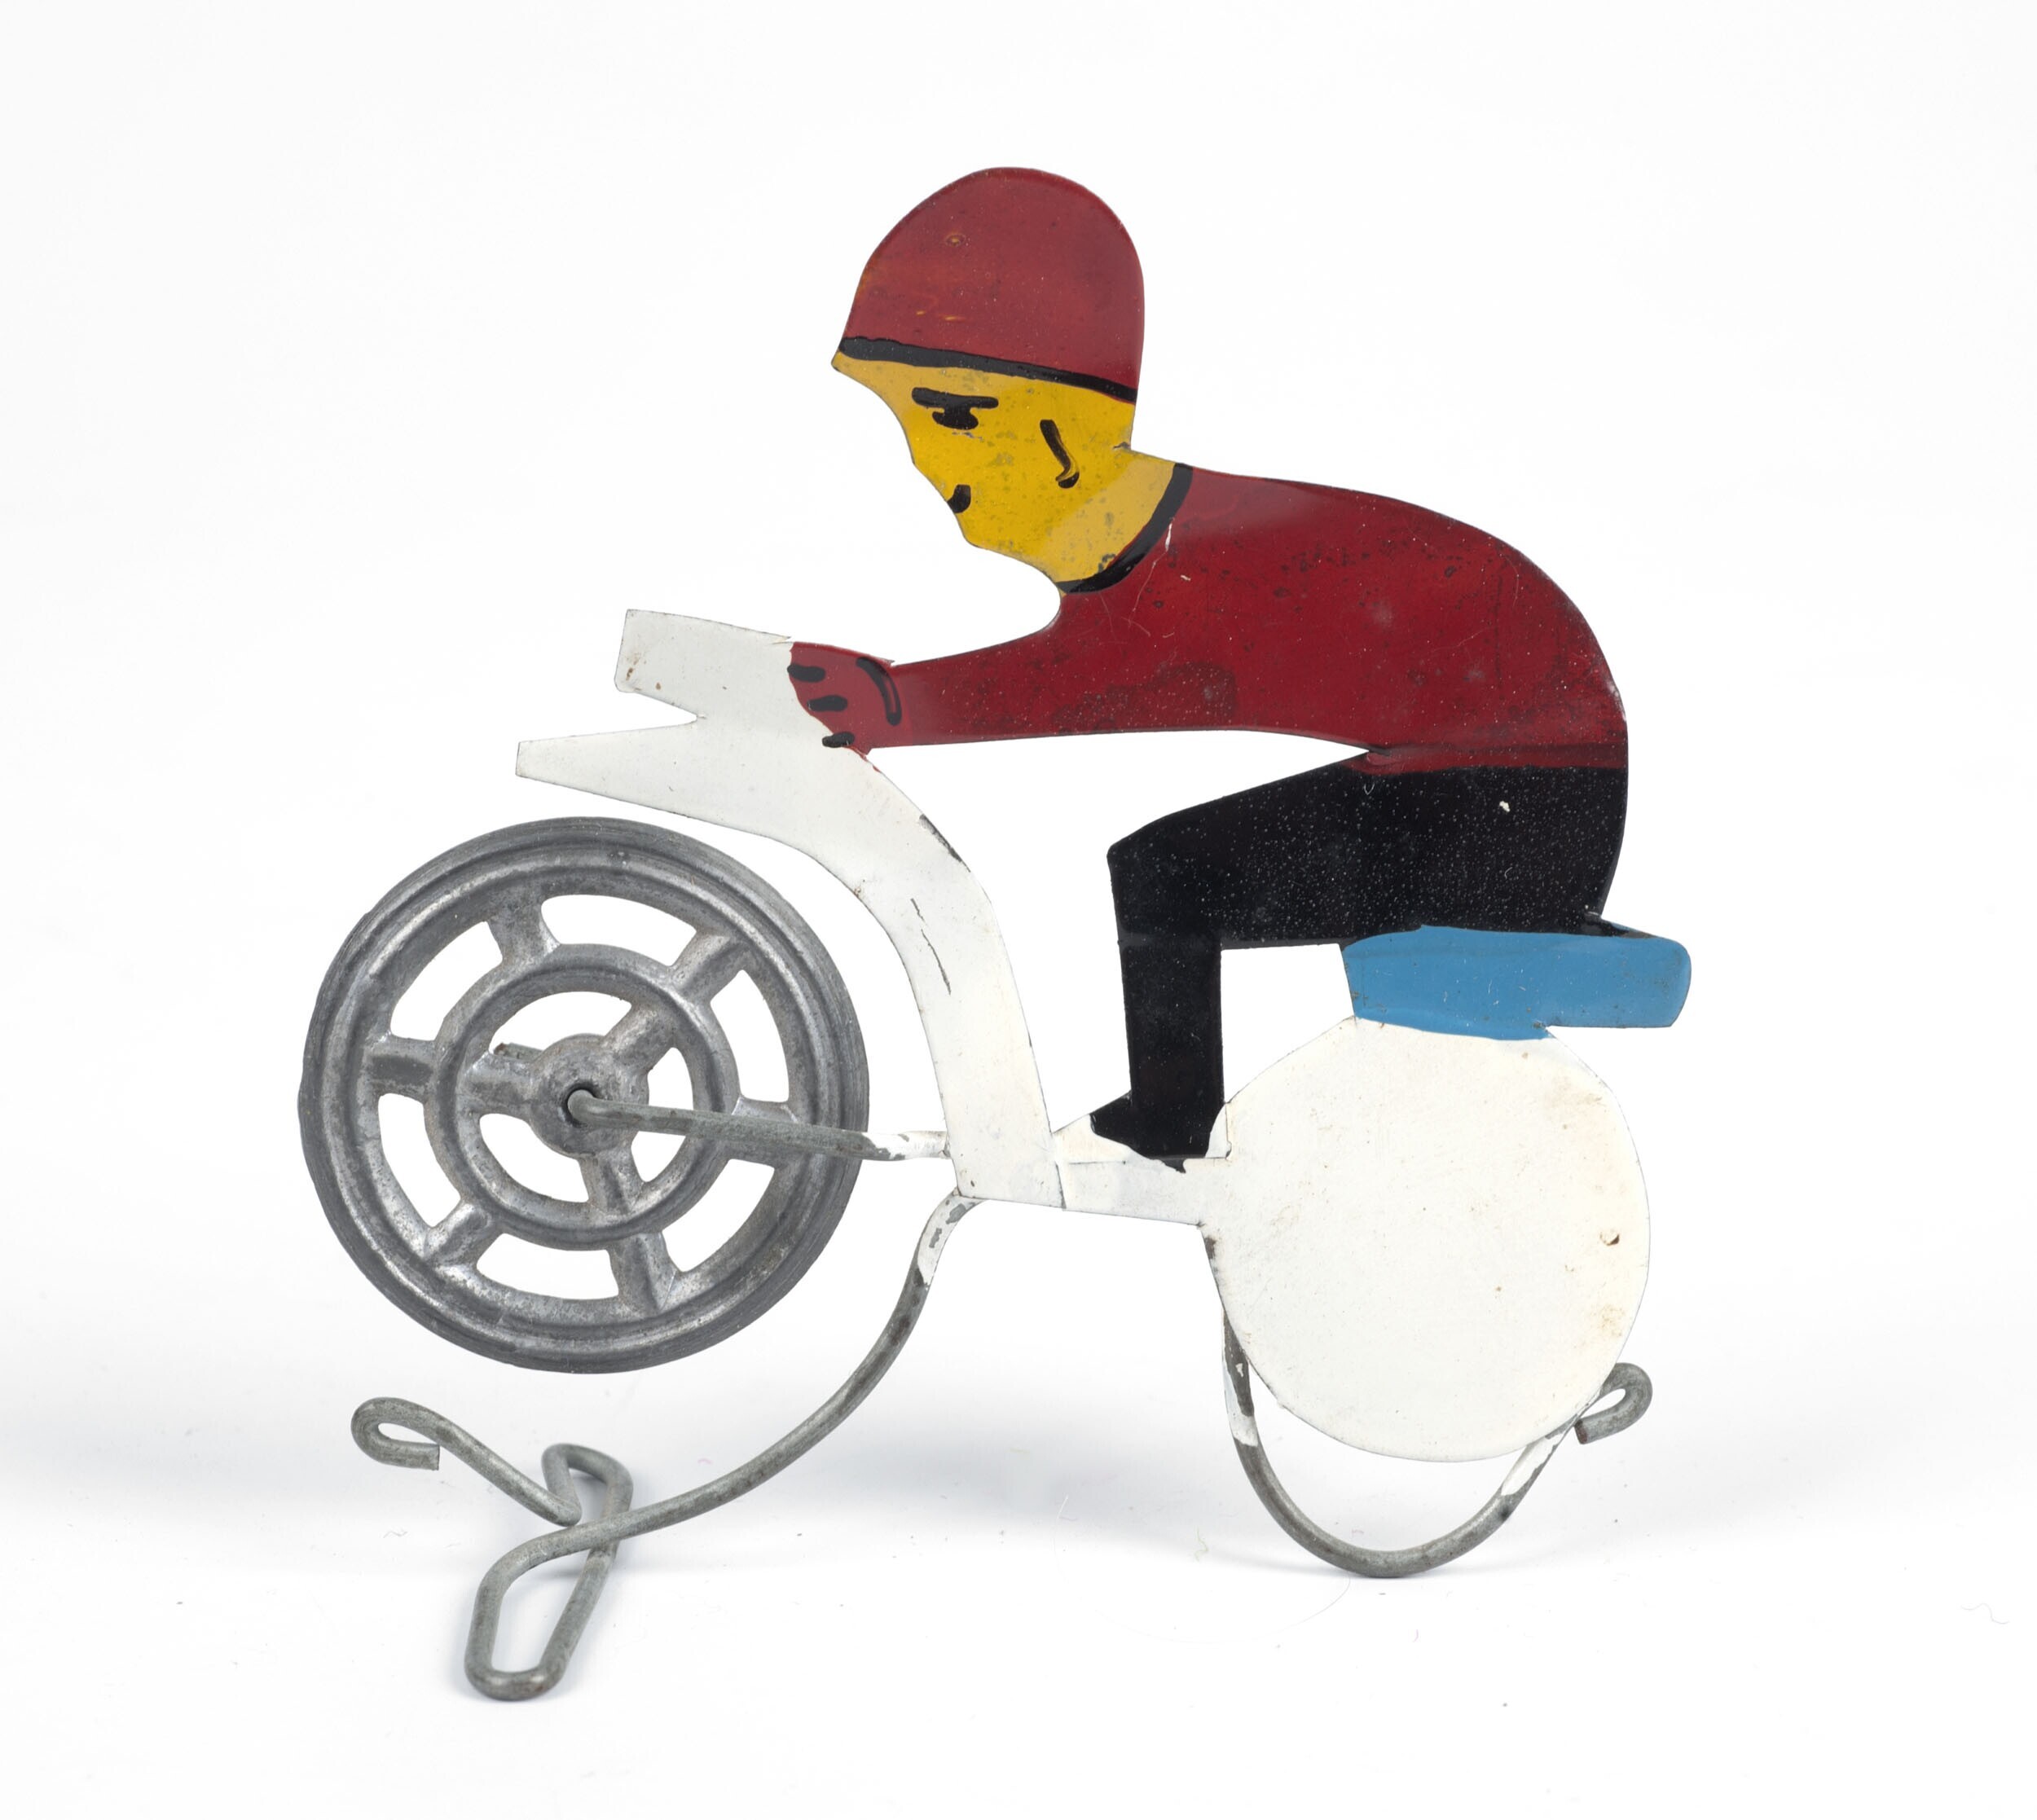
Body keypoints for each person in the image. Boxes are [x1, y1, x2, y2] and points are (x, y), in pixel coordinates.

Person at [792, 169, 1627, 1163]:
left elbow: (1096, 678)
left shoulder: (1189, 554)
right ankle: (1174, 1118)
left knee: (1167, 873)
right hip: (1504, 774)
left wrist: (900, 705)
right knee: (1167, 867)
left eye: (951, 418)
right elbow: (1096, 661)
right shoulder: (1176, 532)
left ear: (1060, 441)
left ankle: (1173, 1125)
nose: (925, 464)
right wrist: (897, 702)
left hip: (1519, 803)